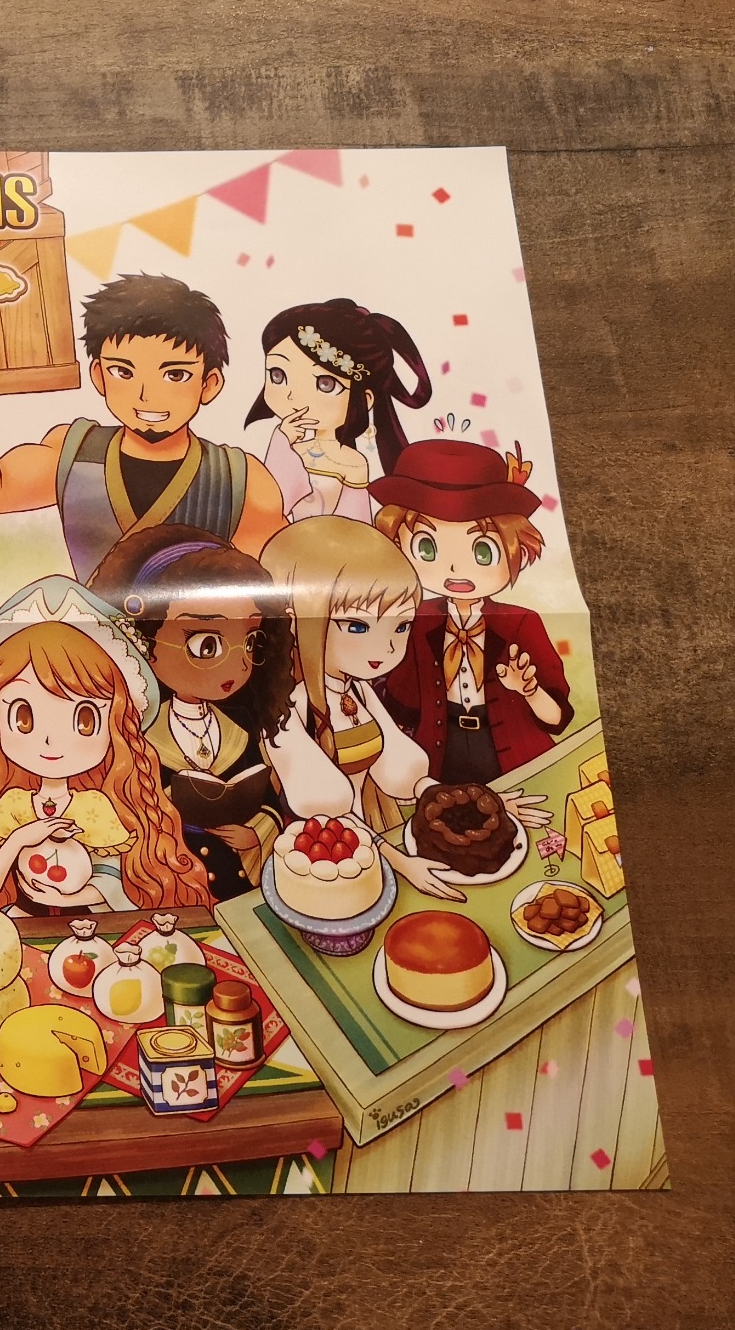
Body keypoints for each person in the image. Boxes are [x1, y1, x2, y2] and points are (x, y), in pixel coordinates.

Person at [260, 516, 546, 902]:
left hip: (378, 829)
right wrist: (398, 861)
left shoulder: (358, 689)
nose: (387, 647)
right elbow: (327, 814)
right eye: (357, 626)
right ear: (294, 620)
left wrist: (478, 807)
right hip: (326, 858)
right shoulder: (283, 712)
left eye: (399, 627)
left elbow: (403, 771)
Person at [0, 272, 286, 574]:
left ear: (209, 384)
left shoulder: (239, 480)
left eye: (175, 375)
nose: (146, 396)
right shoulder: (75, 452)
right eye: (123, 372)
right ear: (99, 376)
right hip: (89, 629)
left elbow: (274, 580)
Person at [0, 577, 212, 915]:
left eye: (84, 720)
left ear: (115, 725)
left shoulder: (97, 808)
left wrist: (64, 899)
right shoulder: (12, 806)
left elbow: (113, 883)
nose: (50, 740)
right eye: (23, 717)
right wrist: (19, 839)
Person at [88, 524, 328, 902]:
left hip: (238, 881)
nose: (238, 666)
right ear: (145, 641)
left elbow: (268, 800)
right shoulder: (133, 736)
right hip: (169, 884)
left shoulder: (242, 726)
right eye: (206, 645)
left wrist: (256, 831)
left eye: (249, 642)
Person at [371, 439, 574, 781]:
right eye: (426, 547)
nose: (454, 569)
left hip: (515, 757)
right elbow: (401, 706)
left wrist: (528, 690)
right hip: (438, 755)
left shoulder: (521, 623)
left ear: (516, 547)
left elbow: (558, 719)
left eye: (482, 552)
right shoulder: (416, 620)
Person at [244, 298, 435, 522]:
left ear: (366, 399)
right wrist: (282, 441)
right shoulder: (284, 447)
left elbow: (356, 524)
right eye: (278, 375)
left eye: (325, 384)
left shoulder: (352, 462)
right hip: (274, 539)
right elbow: (266, 509)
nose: (293, 395)